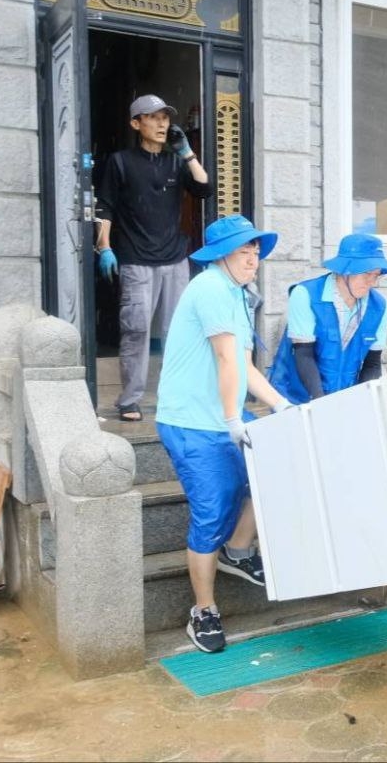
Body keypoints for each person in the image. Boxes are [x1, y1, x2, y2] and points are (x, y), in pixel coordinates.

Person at [155, 214, 293, 654]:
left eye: (256, 250)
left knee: (268, 472)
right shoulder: (212, 289)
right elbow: (225, 360)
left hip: (222, 416)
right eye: (243, 251)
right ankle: (204, 610)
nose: (253, 258)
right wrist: (236, 421)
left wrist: (279, 405)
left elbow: (246, 366)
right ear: (220, 256)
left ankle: (236, 552)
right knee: (212, 512)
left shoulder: (237, 295)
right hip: (191, 422)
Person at [96, 94, 213, 422]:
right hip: (136, 260)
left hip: (175, 259)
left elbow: (205, 189)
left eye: (165, 117)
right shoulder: (120, 162)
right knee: (136, 330)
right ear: (136, 124)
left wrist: (187, 153)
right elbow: (105, 206)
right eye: (153, 117)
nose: (162, 123)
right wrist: (104, 247)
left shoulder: (177, 162)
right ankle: (130, 399)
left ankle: (173, 396)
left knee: (178, 331)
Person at [268, 233, 387, 403]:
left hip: (344, 396)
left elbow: (372, 364)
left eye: (376, 275)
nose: (372, 283)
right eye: (367, 274)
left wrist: (365, 400)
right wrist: (321, 404)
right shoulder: (305, 294)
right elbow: (303, 355)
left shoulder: (379, 306)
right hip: (298, 396)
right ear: (345, 270)